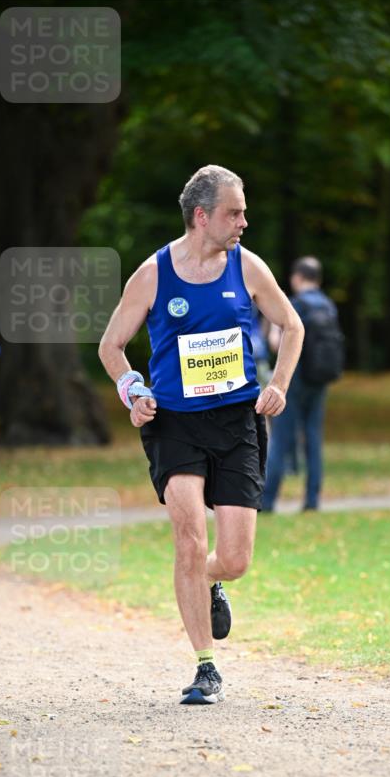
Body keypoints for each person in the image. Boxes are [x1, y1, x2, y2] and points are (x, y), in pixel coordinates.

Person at [98, 165, 304, 705]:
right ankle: (205, 667)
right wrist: (132, 391)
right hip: (174, 423)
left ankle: (208, 579)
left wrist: (279, 385)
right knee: (188, 539)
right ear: (202, 216)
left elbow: (292, 325)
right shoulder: (152, 275)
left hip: (237, 420)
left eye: (244, 212)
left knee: (234, 559)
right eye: (234, 213)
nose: (244, 222)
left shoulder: (248, 266)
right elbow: (111, 346)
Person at [262, 256, 343, 512]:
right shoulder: (329, 306)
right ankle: (312, 499)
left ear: (297, 278)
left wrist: (272, 328)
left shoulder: (295, 304)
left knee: (281, 438)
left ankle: (267, 500)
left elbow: (277, 344)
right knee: (313, 438)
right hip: (319, 380)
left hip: (294, 380)